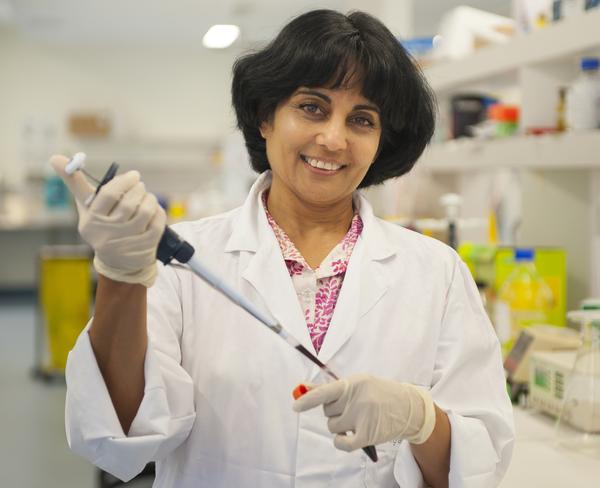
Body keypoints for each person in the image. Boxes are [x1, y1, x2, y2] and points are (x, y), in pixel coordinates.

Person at [54, 9, 514, 488]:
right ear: (265, 116)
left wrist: (420, 418)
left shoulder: (436, 272)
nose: (333, 138)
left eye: (361, 119)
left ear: (381, 142)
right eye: (312, 108)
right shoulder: (185, 258)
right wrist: (121, 275)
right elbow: (119, 435)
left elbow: (474, 469)